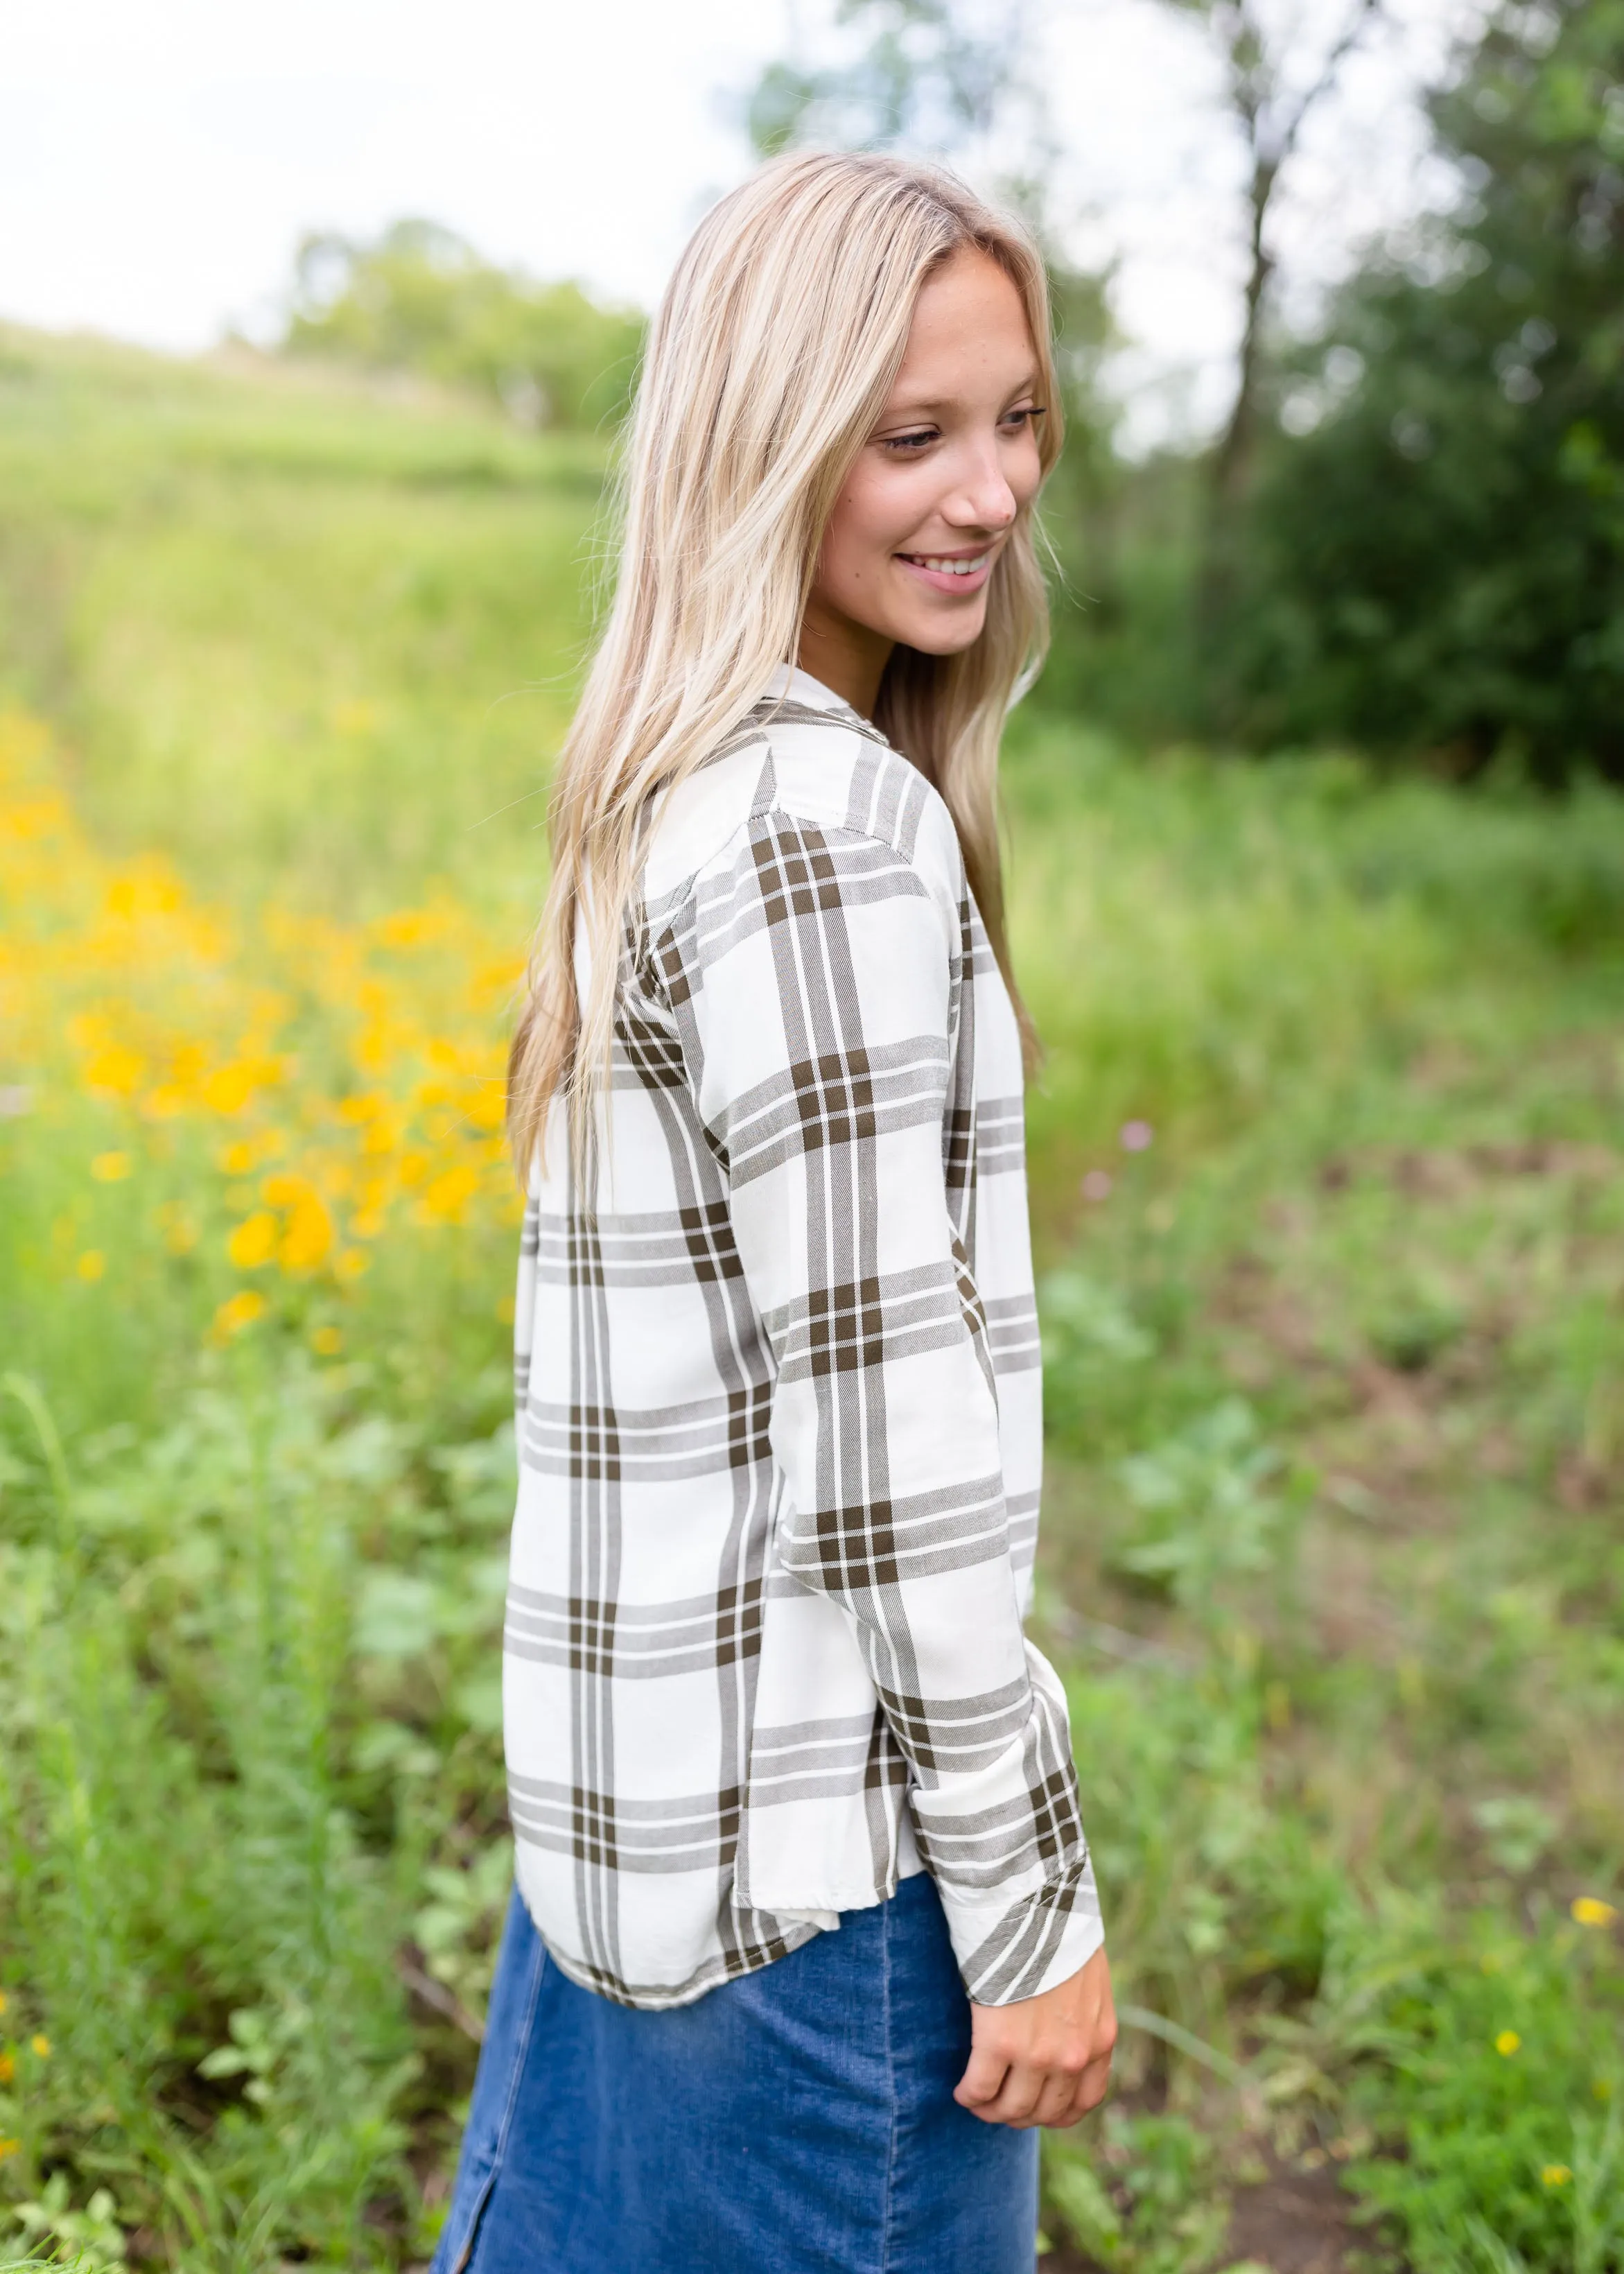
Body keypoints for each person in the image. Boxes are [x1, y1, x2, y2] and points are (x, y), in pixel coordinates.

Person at [430, 148, 1115, 2274]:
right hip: (819, 1913)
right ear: (763, 446)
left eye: (1013, 424)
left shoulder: (688, 795)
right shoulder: (824, 830)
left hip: (627, 1864)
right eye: (909, 435)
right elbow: (888, 1448)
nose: (987, 494)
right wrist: (1029, 1903)